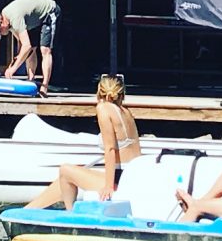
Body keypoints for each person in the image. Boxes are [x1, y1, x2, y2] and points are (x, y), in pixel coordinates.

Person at [24, 75, 142, 209]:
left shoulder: (103, 108)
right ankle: (30, 209)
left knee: (65, 170)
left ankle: (70, 214)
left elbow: (110, 150)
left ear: (99, 92)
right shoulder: (126, 112)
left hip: (119, 180)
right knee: (72, 172)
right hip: (132, 175)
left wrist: (108, 186)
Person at [0, 0, 62, 92]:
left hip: (49, 11)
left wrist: (13, 69)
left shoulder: (14, 18)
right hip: (33, 20)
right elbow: (23, 46)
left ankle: (45, 86)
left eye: (0, 31)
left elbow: (26, 46)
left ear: (2, 22)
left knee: (45, 49)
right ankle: (31, 80)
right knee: (32, 50)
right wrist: (13, 63)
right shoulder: (8, 22)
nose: (3, 34)